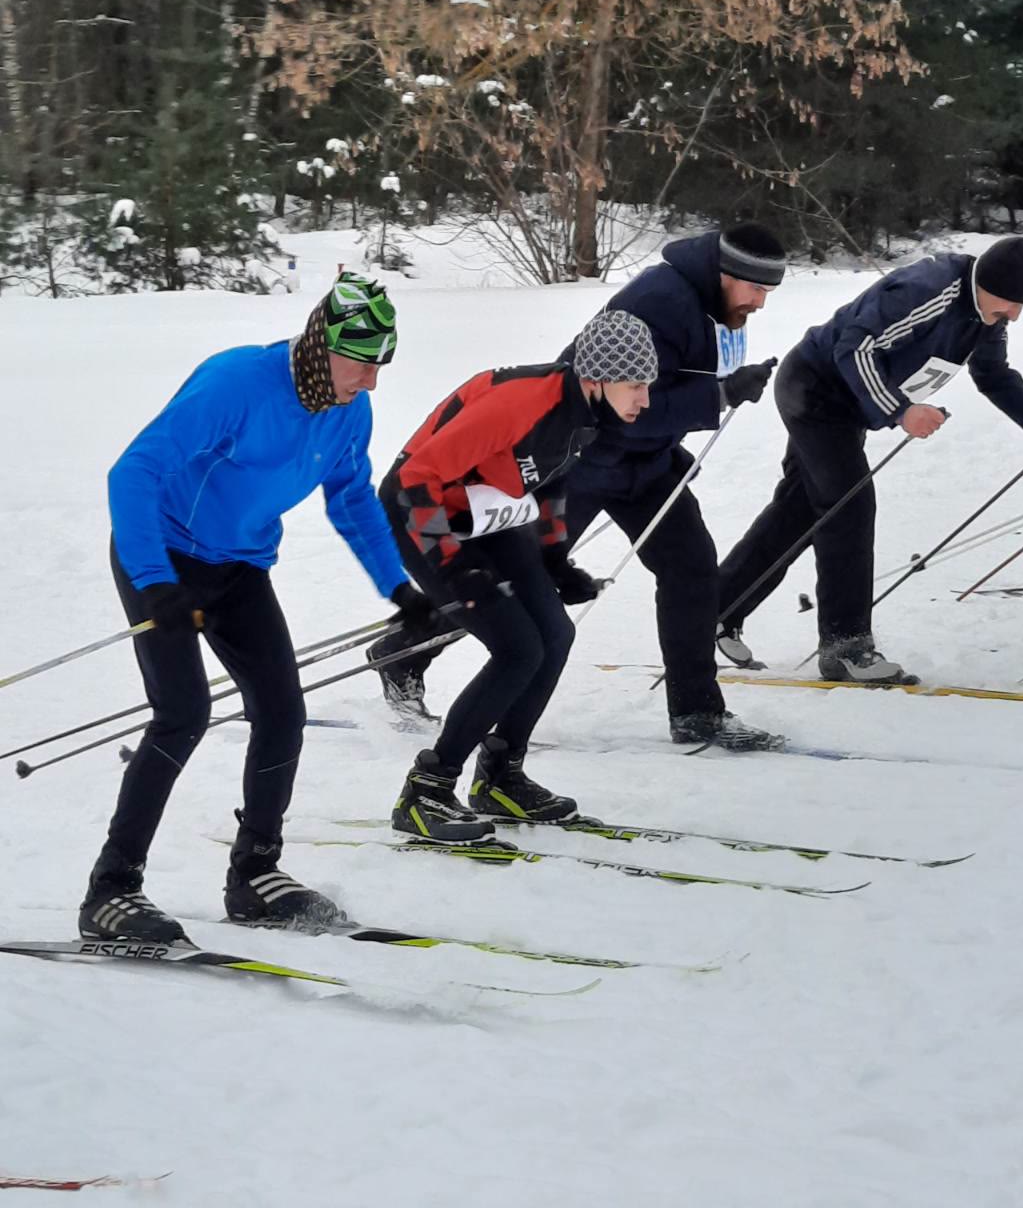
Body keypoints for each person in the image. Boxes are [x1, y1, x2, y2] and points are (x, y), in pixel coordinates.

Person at [79, 274, 434, 943]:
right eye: (362, 362)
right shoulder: (236, 383)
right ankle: (111, 890)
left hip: (238, 566)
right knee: (182, 714)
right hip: (159, 554)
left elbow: (351, 497)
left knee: (281, 710)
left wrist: (397, 589)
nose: (373, 381)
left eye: (381, 364)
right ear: (320, 346)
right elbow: (132, 473)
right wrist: (155, 581)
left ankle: (255, 875)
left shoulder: (349, 411)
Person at [717, 236, 1023, 682]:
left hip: (847, 405)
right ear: (983, 283)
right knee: (848, 507)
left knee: (799, 511)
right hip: (816, 390)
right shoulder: (929, 289)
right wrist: (900, 410)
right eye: (1009, 303)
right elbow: (855, 348)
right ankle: (846, 648)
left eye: (1022, 306)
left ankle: (713, 612)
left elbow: (993, 374)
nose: (1013, 314)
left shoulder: (986, 314)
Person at [374, 309, 659, 841]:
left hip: (482, 515)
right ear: (596, 377)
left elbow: (548, 485)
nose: (645, 398)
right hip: (419, 515)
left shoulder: (586, 411)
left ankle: (500, 777)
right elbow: (416, 479)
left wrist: (556, 561)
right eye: (636, 384)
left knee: (555, 635)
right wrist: (453, 568)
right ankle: (426, 791)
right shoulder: (523, 402)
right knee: (518, 649)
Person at [562, 224, 787, 751]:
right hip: (584, 455)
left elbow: (671, 383)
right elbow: (619, 407)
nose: (760, 303)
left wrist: (725, 386)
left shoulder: (708, 303)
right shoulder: (658, 301)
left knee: (691, 570)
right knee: (516, 573)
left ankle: (697, 714)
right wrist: (721, 395)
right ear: (726, 274)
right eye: (755, 290)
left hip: (647, 463)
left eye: (768, 293)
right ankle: (407, 651)